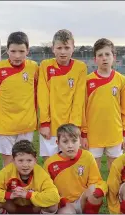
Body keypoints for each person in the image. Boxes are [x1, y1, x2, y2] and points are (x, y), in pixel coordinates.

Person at [0, 31, 39, 166]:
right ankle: (9, 187)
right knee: (9, 165)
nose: (17, 55)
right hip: (5, 126)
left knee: (24, 163)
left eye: (21, 51)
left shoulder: (34, 68)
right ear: (7, 50)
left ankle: (24, 187)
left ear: (27, 50)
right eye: (13, 51)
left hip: (26, 125)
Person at [81, 38, 125, 170]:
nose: (104, 58)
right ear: (95, 59)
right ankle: (96, 192)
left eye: (107, 54)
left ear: (114, 57)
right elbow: (82, 110)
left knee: (115, 172)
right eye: (100, 55)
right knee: (93, 173)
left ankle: (113, 192)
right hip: (93, 135)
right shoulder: (87, 81)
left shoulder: (121, 80)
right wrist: (84, 134)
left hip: (115, 133)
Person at [37, 29, 87, 161]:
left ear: (73, 48)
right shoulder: (45, 66)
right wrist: (44, 123)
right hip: (51, 127)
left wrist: (73, 126)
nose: (63, 51)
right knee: (50, 164)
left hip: (71, 126)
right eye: (59, 47)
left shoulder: (80, 67)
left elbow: (78, 98)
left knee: (70, 164)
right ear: (53, 48)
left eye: (66, 47)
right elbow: (43, 96)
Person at [43, 124, 107, 214]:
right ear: (57, 143)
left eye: (74, 141)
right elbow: (46, 189)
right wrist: (59, 200)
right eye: (65, 142)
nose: (70, 145)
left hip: (82, 200)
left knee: (94, 190)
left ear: (80, 141)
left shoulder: (87, 156)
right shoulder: (50, 163)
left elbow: (96, 181)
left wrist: (100, 189)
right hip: (64, 203)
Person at [0, 140, 60, 214]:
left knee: (53, 205)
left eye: (29, 160)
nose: (25, 165)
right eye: (20, 160)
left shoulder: (41, 173)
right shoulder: (7, 171)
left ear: (35, 160)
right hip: (13, 207)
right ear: (13, 161)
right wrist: (9, 195)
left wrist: (28, 195)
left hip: (34, 207)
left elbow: (54, 196)